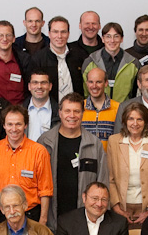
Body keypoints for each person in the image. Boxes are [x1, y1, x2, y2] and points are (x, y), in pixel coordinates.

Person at [38, 93, 110, 227]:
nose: (72, 115)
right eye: (67, 111)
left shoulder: (94, 144)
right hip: (52, 218)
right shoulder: (44, 142)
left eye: (76, 111)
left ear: (83, 114)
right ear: (60, 113)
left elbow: (103, 181)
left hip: (84, 221)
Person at [0, 106, 53, 224]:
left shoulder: (39, 151)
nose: (14, 129)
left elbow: (45, 190)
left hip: (30, 215)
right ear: (4, 125)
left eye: (18, 124)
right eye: (10, 124)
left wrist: (43, 220)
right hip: (1, 215)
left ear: (25, 125)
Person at [107, 104, 148, 228]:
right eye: (131, 119)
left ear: (145, 122)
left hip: (147, 207)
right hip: (122, 206)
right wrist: (116, 207)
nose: (135, 123)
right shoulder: (114, 141)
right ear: (124, 121)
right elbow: (110, 179)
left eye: (140, 119)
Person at [0, 21, 34, 106]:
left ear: (14, 38)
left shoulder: (25, 60)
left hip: (19, 110)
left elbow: (31, 87)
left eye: (8, 35)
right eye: (0, 35)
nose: (4, 39)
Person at [32, 16, 88, 100]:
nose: (59, 36)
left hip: (76, 109)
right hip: (51, 109)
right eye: (55, 32)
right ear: (49, 34)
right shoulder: (38, 59)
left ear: (68, 34)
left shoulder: (80, 55)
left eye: (63, 32)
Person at [83, 22, 139, 103]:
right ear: (102, 39)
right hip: (97, 112)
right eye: (108, 36)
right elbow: (86, 92)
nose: (112, 41)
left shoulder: (133, 64)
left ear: (122, 39)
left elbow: (135, 94)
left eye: (116, 36)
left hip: (124, 112)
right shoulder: (90, 62)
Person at [82, 68, 120, 141]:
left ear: (106, 83)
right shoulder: (79, 107)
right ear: (87, 83)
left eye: (98, 82)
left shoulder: (118, 108)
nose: (94, 86)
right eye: (91, 82)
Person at [24, 71, 57, 140]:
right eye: (35, 82)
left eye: (43, 83)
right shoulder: (20, 110)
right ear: (29, 86)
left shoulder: (59, 112)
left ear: (50, 86)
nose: (39, 86)